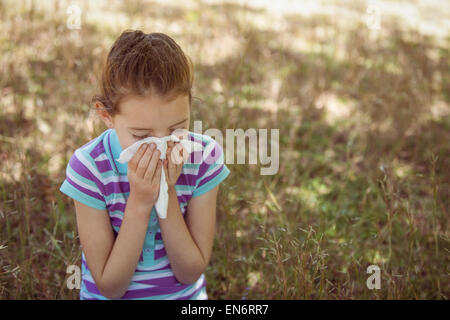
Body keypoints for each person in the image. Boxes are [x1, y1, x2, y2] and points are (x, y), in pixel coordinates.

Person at [59, 29, 230, 300]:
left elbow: (190, 272)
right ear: (107, 115)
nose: (161, 147)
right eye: (141, 136)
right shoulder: (89, 168)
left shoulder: (203, 158)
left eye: (177, 128)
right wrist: (140, 202)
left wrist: (167, 194)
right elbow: (110, 287)